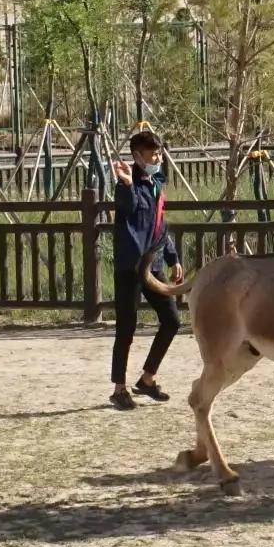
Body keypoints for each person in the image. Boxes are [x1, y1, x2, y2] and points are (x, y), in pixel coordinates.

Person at [108, 128, 182, 409]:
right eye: (152, 153)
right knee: (126, 327)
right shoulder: (129, 185)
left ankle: (147, 379)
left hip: (155, 265)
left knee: (172, 320)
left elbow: (159, 225)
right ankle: (118, 389)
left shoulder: (156, 183)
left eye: (159, 151)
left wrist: (173, 258)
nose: (158, 156)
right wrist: (126, 184)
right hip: (131, 267)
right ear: (137, 156)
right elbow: (129, 207)